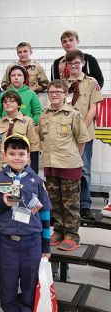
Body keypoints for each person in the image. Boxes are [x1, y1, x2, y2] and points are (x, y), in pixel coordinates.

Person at [0, 134, 52, 312]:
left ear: (28, 156)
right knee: (7, 287)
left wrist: (46, 246)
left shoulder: (36, 181)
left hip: (32, 243)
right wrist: (2, 203)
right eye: (12, 153)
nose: (17, 157)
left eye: (21, 154)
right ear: (4, 155)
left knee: (30, 287)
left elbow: (44, 214)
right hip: (7, 243)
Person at [39, 80, 91, 251]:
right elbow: (41, 138)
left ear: (66, 94)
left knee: (70, 204)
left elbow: (82, 139)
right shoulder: (44, 114)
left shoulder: (74, 115)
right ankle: (59, 231)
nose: (54, 95)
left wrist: (73, 157)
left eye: (58, 92)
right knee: (55, 201)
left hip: (69, 164)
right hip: (51, 164)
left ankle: (72, 236)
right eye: (51, 92)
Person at [65, 50, 103, 220]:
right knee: (66, 168)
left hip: (84, 133)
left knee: (84, 169)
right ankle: (67, 204)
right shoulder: (63, 84)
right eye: (70, 63)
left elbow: (93, 109)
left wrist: (80, 129)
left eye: (77, 63)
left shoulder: (91, 82)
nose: (74, 66)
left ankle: (84, 205)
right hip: (65, 134)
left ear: (83, 63)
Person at [0, 91, 40, 173]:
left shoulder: (28, 121)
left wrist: (33, 170)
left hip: (23, 166)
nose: (8, 103)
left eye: (12, 101)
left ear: (19, 104)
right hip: (4, 165)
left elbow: (34, 145)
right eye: (5, 102)